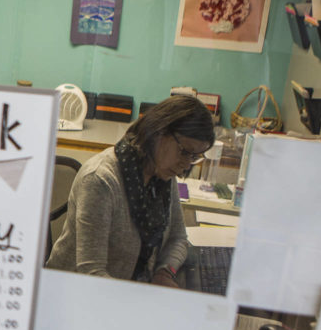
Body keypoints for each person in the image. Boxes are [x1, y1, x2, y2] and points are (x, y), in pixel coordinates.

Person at [46, 95, 215, 287]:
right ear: (159, 132)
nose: (186, 165)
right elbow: (91, 273)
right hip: (74, 293)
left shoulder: (163, 174)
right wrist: (140, 299)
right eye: (184, 151)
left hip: (126, 290)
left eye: (194, 157)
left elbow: (178, 238)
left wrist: (165, 271)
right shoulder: (101, 180)